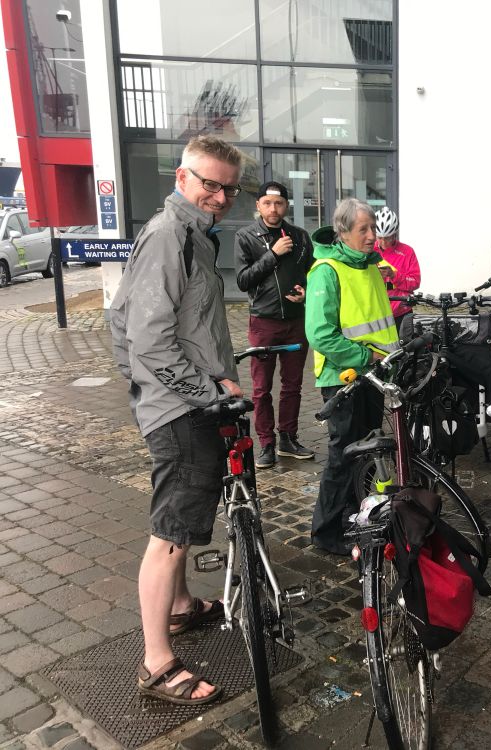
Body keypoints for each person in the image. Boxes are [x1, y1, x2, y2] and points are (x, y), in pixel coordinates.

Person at [109, 135, 246, 706]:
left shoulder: (193, 236)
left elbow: (121, 321)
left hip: (178, 403)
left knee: (183, 524)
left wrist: (145, 389)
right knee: (169, 535)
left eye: (228, 187)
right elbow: (147, 340)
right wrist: (206, 391)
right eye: (209, 182)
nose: (218, 195)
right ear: (182, 177)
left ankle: (185, 607)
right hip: (184, 409)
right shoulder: (170, 236)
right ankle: (156, 663)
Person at [306, 198, 400, 555]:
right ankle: (327, 531)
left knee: (365, 451)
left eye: (374, 228)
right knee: (343, 455)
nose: (372, 236)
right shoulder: (326, 271)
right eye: (363, 229)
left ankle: (352, 515)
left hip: (373, 376)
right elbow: (320, 334)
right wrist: (365, 355)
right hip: (343, 378)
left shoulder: (370, 264)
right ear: (343, 232)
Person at [234, 181, 315, 468]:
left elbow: (312, 273)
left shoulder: (301, 237)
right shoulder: (246, 236)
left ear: (286, 205)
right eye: (267, 203)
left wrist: (307, 291)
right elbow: (243, 280)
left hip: (295, 322)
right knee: (261, 388)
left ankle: (288, 439)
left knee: (292, 385)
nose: (273, 208)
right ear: (258, 205)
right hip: (264, 323)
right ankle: (266, 443)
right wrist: (273, 254)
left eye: (278, 203)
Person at [373, 206, 421, 341]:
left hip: (401, 312)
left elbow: (415, 282)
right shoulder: (369, 250)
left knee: (404, 353)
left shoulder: (407, 252)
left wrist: (394, 275)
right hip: (376, 312)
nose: (382, 242)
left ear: (395, 234)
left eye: (387, 238)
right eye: (379, 237)